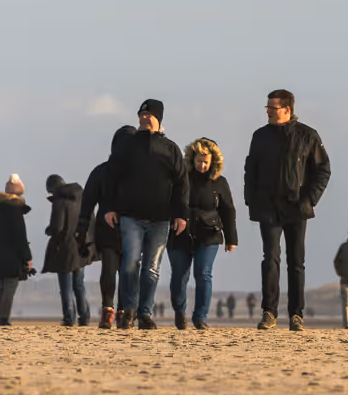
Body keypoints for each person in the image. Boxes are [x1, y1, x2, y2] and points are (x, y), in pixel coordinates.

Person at [243, 88, 332, 332]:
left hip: (297, 208)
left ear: (287, 110)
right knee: (270, 260)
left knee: (296, 262)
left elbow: (323, 170)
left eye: (272, 108)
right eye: (267, 108)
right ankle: (269, 312)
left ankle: (296, 315)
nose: (268, 112)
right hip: (267, 207)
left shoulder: (307, 135)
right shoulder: (260, 136)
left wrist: (309, 199)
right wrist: (251, 200)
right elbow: (250, 170)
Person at [100, 102, 187, 330]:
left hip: (161, 219)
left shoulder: (170, 149)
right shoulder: (127, 146)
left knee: (151, 269)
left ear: (158, 118)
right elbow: (111, 178)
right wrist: (109, 208)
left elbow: (181, 184)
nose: (144, 118)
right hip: (131, 216)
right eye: (142, 114)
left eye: (149, 115)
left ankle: (145, 313)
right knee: (130, 263)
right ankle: (128, 309)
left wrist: (181, 215)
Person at [168, 139, 239, 330]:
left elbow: (228, 210)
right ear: (192, 160)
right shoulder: (181, 179)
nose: (202, 165)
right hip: (181, 233)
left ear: (213, 162)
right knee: (179, 275)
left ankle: (200, 317)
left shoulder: (220, 182)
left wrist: (231, 239)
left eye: (206, 162)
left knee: (203, 274)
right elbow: (171, 202)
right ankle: (179, 312)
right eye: (199, 161)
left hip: (210, 234)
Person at [78, 128, 134, 329]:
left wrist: (81, 231)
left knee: (110, 270)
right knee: (125, 272)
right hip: (129, 229)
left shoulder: (101, 171)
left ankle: (109, 311)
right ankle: (119, 312)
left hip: (109, 229)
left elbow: (87, 204)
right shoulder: (137, 173)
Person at [0, 175, 35, 325]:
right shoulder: (15, 209)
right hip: (13, 255)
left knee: (2, 286)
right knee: (10, 286)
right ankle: (3, 319)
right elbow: (20, 237)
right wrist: (27, 258)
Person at [42, 174, 92, 327]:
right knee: (79, 285)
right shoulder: (81, 199)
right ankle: (84, 316)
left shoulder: (59, 202)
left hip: (65, 248)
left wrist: (48, 230)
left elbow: (57, 227)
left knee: (66, 286)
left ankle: (69, 317)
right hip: (81, 246)